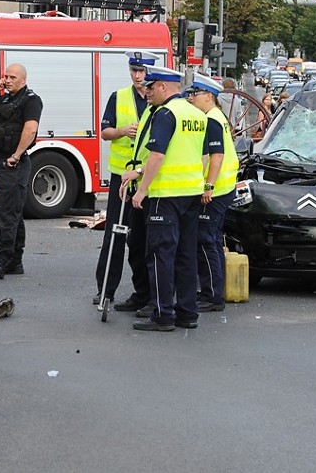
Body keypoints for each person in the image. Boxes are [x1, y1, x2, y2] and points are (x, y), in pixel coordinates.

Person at [122, 65, 207, 332]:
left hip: (165, 195)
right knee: (186, 255)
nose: (147, 92)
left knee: (161, 255)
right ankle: (187, 313)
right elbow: (204, 156)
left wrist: (142, 189)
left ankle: (162, 314)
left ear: (163, 87)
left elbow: (157, 155)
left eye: (151, 87)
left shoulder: (165, 113)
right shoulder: (196, 114)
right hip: (191, 193)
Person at [93, 50, 157, 309]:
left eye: (141, 71)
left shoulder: (157, 99)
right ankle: (105, 290)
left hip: (147, 177)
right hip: (122, 177)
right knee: (114, 236)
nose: (138, 76)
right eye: (134, 71)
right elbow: (105, 132)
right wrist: (122, 131)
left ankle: (144, 294)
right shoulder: (118, 97)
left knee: (142, 239)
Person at [0, 63, 43, 280]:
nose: (8, 80)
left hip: (14, 163)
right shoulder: (5, 98)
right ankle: (15, 260)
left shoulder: (31, 100)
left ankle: (3, 258)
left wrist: (16, 155)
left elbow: (30, 129)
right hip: (1, 161)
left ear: (23, 80)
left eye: (12, 77)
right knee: (14, 211)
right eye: (6, 76)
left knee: (6, 212)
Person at [186, 73, 239, 312]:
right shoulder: (215, 117)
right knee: (213, 241)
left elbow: (216, 156)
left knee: (206, 241)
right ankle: (212, 291)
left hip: (217, 190)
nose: (192, 98)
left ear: (208, 96)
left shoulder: (212, 120)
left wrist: (208, 186)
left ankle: (212, 296)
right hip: (223, 187)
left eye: (195, 94)